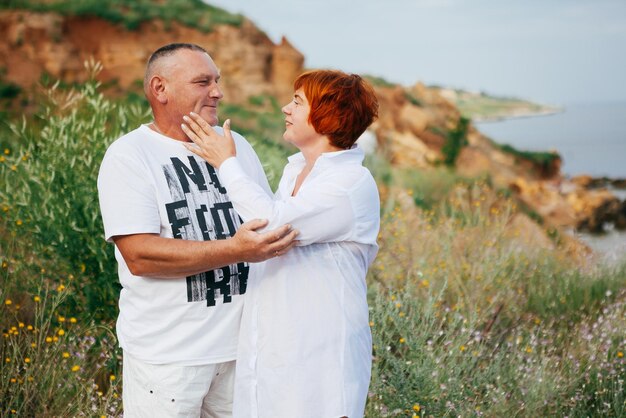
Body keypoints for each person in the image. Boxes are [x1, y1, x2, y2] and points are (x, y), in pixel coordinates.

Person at [97, 43, 297, 417]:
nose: (217, 92)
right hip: (169, 362)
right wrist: (236, 250)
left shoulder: (237, 148)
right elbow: (139, 255)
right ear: (161, 89)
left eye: (217, 81)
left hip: (244, 354)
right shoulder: (130, 156)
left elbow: (267, 225)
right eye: (203, 81)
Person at [182, 69, 380, 418]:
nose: (286, 108)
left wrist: (225, 161)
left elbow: (268, 225)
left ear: (328, 114)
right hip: (277, 355)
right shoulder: (295, 171)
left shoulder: (350, 183)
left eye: (298, 102)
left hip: (320, 365)